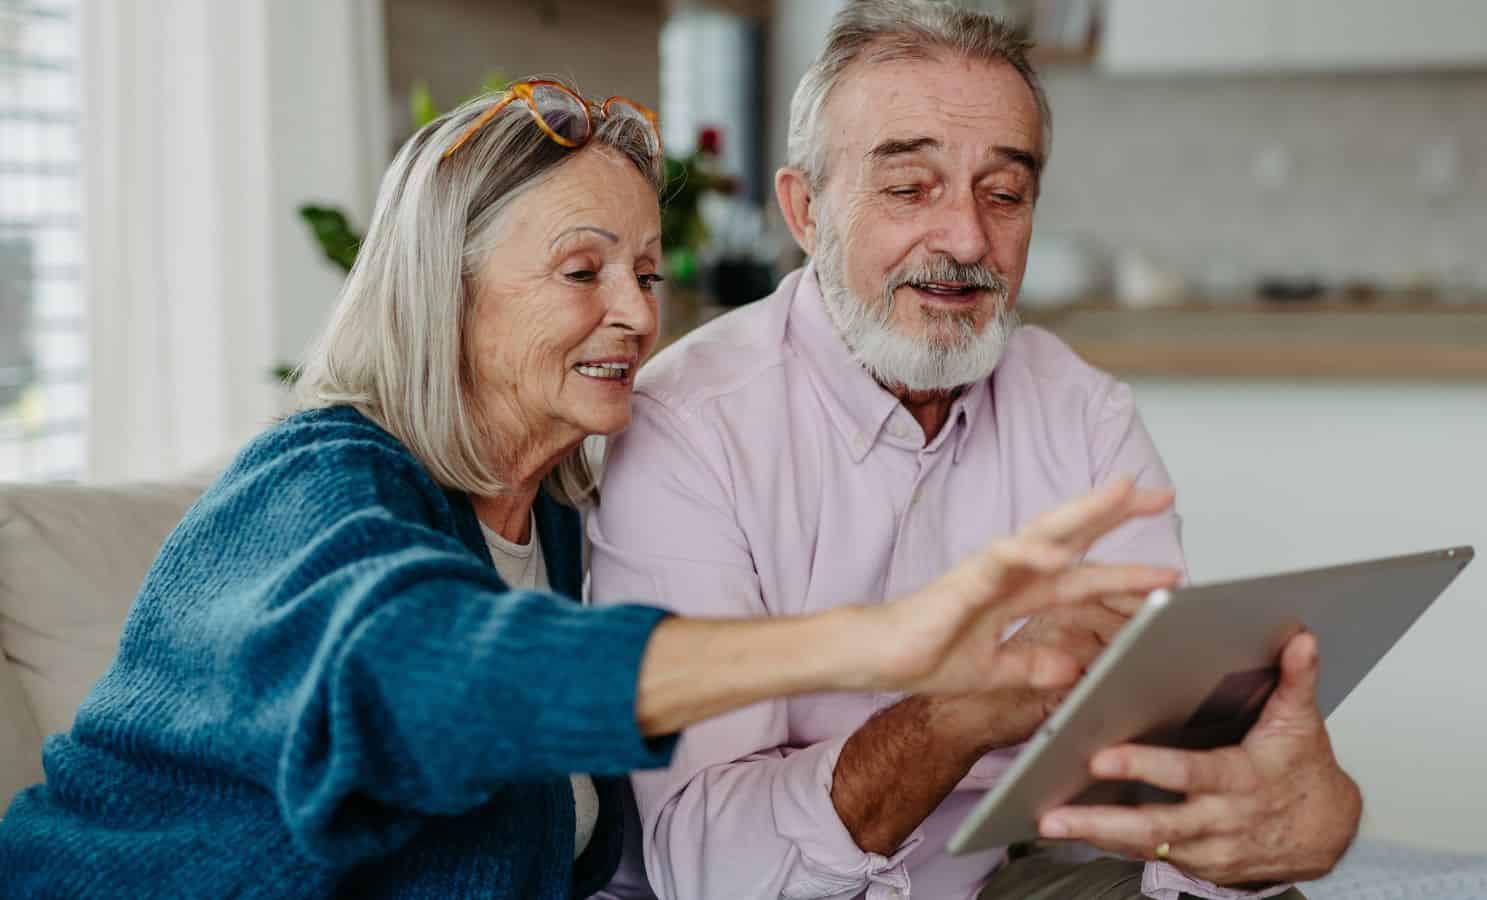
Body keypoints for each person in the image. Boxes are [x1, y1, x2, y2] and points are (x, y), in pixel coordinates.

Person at [0, 78, 1181, 900]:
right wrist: (875, 644)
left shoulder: (557, 522)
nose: (634, 311)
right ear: (445, 291)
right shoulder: (312, 487)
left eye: (643, 268)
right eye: (580, 270)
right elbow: (440, 672)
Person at [588, 3, 1363, 899]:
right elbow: (707, 866)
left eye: (1004, 194)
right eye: (910, 188)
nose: (965, 239)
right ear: (805, 210)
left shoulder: (1083, 415)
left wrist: (1301, 817)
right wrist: (967, 709)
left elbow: (1161, 759)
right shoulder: (687, 430)